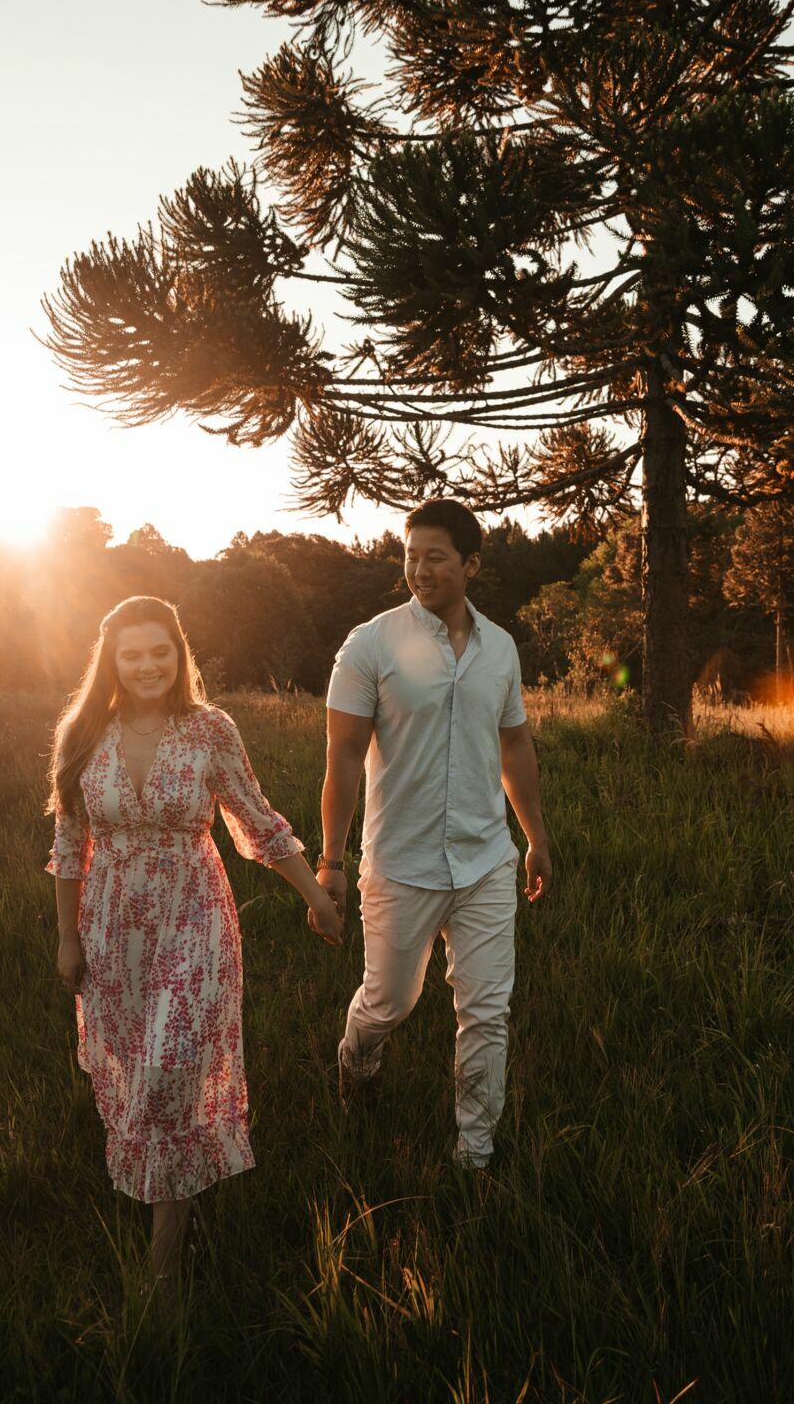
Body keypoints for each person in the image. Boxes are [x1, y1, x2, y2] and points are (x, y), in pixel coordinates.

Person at [46, 595, 343, 1285]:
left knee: (168, 1068)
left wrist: (317, 898)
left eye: (161, 652)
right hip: (113, 926)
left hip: (194, 918)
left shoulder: (210, 731)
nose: (147, 665)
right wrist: (67, 939)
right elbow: (67, 847)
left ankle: (163, 1265)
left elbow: (259, 822)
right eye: (132, 654)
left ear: (180, 655)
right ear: (111, 662)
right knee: (135, 1077)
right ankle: (170, 1195)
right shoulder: (84, 735)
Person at [315, 498, 551, 1169]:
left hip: (485, 863)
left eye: (435, 557)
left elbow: (515, 747)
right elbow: (341, 760)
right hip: (400, 863)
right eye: (411, 555)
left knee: (486, 1013)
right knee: (390, 1002)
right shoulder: (371, 645)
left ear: (471, 563)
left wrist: (535, 837)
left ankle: (474, 1155)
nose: (419, 569)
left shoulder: (500, 649)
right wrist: (330, 860)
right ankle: (358, 1059)